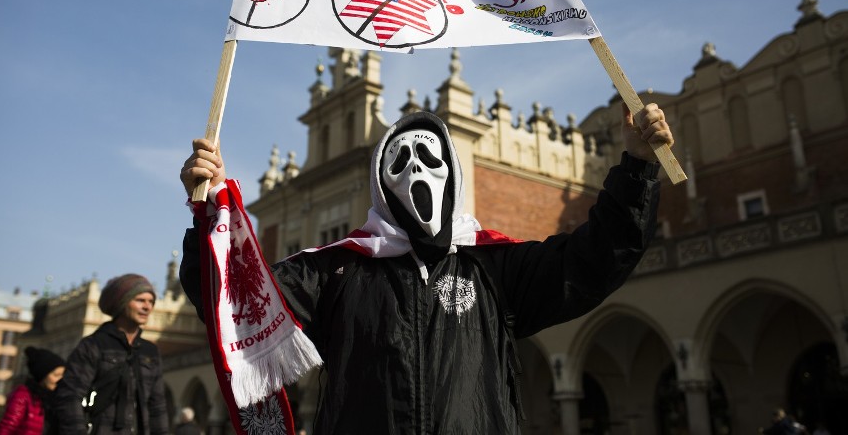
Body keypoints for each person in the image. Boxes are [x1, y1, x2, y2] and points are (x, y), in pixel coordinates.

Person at [179, 104, 674, 434]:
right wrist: (210, 210)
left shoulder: (492, 267)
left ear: (452, 173)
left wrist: (636, 167)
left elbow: (594, 259)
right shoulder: (337, 272)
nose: (416, 168)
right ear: (380, 181)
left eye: (427, 155)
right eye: (401, 159)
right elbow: (233, 299)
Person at [54, 274, 169, 435]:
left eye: (151, 302)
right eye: (140, 300)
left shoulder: (149, 351)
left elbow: (157, 406)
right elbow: (70, 396)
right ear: (122, 304)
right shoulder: (94, 345)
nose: (147, 307)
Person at [0, 346, 66, 435]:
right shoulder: (23, 395)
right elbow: (7, 427)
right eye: (56, 375)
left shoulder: (58, 398)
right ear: (42, 376)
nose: (61, 379)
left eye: (63, 375)